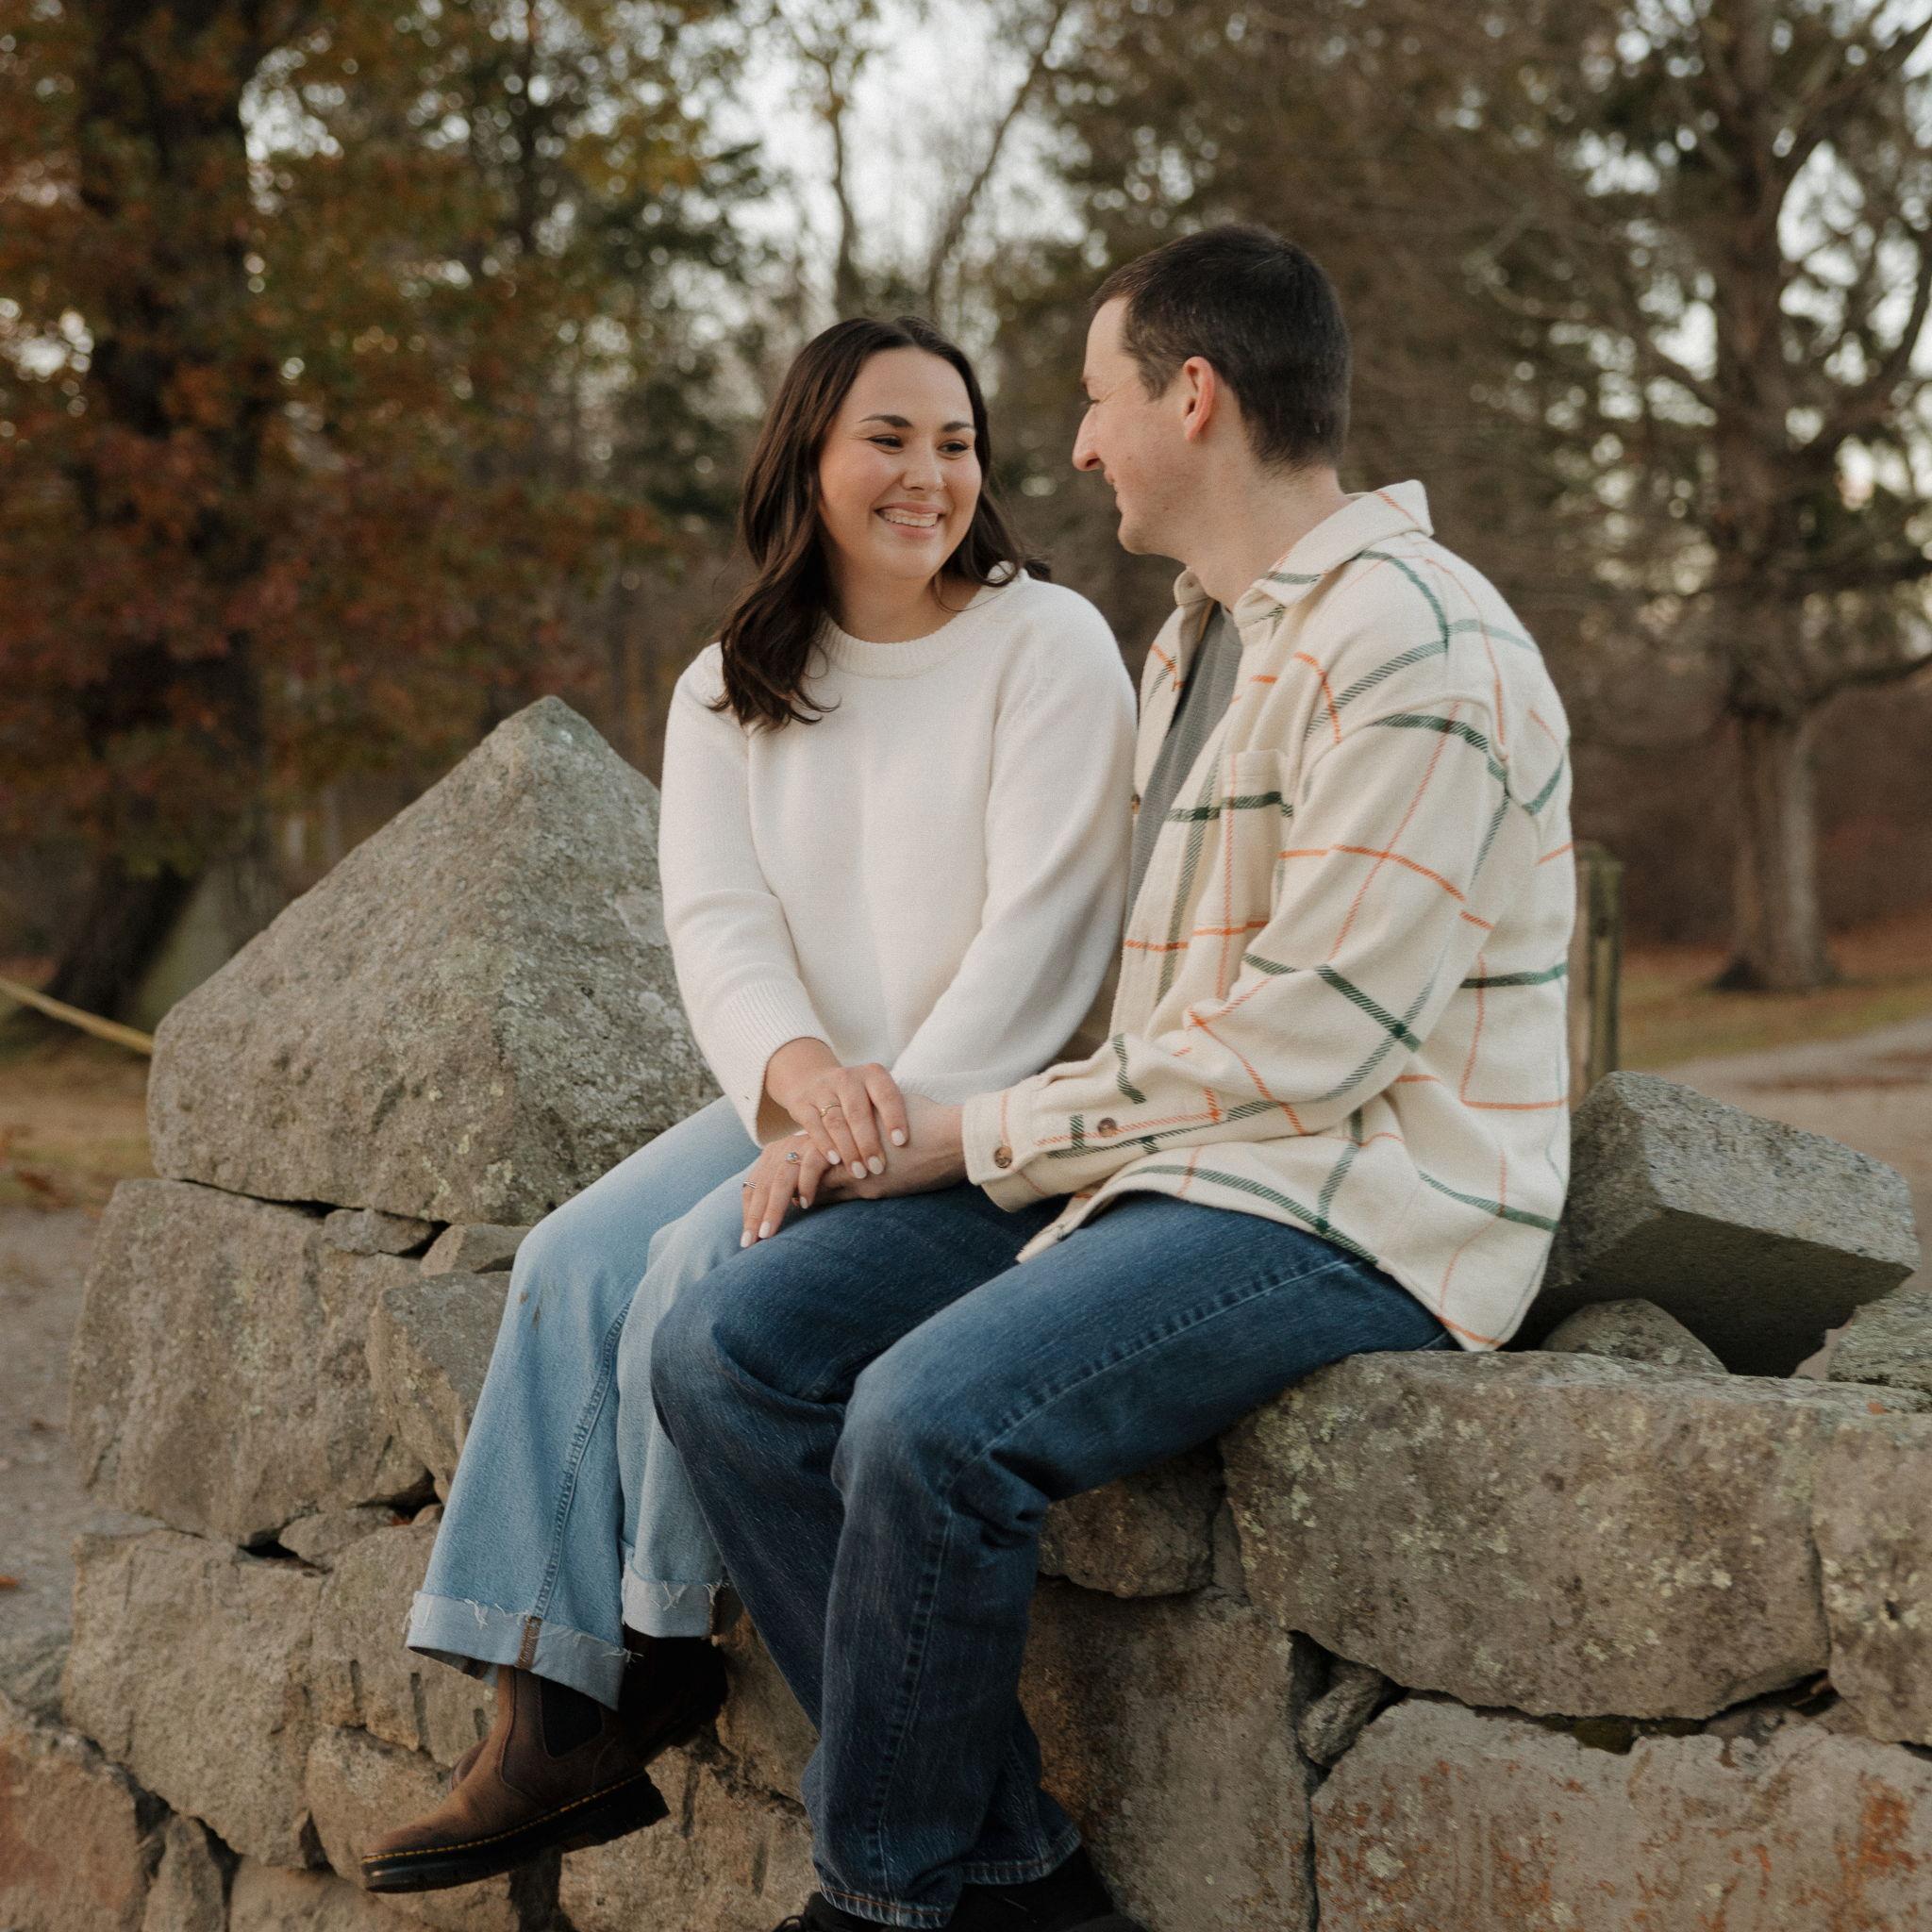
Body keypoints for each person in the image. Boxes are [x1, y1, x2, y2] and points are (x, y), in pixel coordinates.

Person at [649, 224, 1577, 1932]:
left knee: (927, 1420)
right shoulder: (1202, 636)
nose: (1073, 447)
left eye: (1095, 399)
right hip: (1168, 1162)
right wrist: (946, 1132)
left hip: (1357, 1196)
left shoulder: (1420, 646)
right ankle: (1017, 1874)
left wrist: (972, 1132)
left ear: (1193, 396)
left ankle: (878, 1905)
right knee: (726, 1346)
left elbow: (1312, 1048)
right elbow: (1167, 1020)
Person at [357, 314, 1137, 1894]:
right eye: (888, 439)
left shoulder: (1045, 643)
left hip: (979, 1102)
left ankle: (660, 1640)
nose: (930, 475)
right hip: (807, 1087)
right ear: (808, 458)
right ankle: (549, 1705)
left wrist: (878, 1129)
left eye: (957, 443)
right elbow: (719, 929)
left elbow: (1047, 938)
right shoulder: (729, 686)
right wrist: (800, 1081)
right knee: (569, 1258)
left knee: (694, 1269)